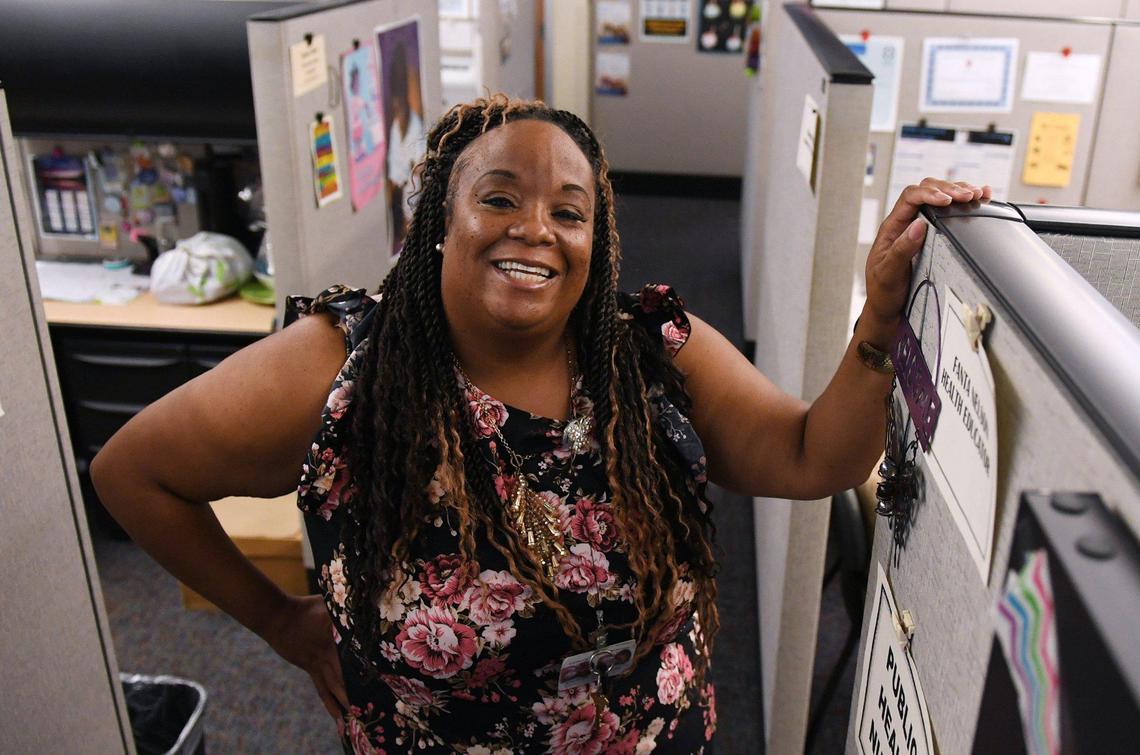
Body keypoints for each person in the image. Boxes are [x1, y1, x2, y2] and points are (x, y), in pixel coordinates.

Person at [91, 94, 989, 753]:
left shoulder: (651, 354)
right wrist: (280, 622)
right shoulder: (347, 367)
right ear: (440, 221)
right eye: (500, 198)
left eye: (570, 210)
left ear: (596, 246)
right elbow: (133, 473)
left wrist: (877, 319)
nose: (536, 229)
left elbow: (810, 454)